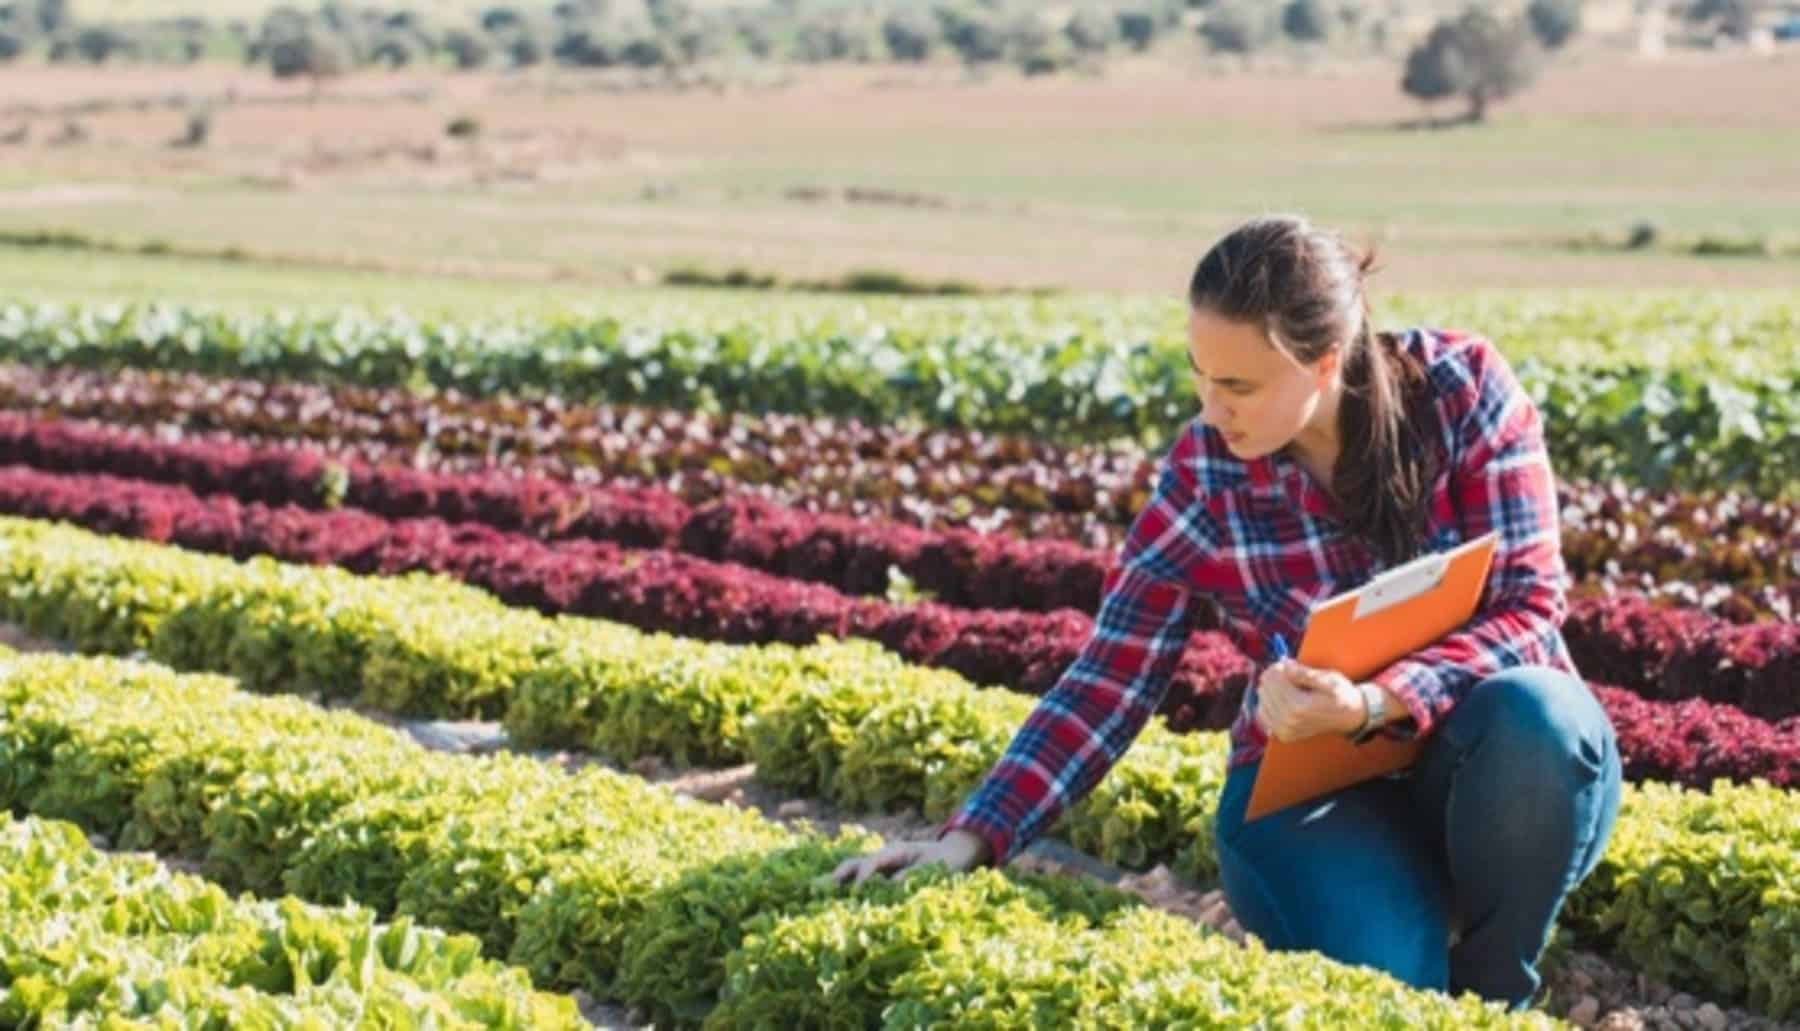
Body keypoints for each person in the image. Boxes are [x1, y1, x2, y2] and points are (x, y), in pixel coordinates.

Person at [830, 214, 1622, 1009]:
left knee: (1540, 714)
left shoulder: (1463, 392)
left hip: (1492, 765)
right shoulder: (1206, 472)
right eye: (1200, 377)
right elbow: (1111, 675)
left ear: (1323, 363)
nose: (1213, 409)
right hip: (1314, 795)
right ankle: (1405, 927)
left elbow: (1528, 607)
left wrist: (1377, 702)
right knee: (1393, 990)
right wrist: (969, 837)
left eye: (1238, 385)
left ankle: (1493, 989)